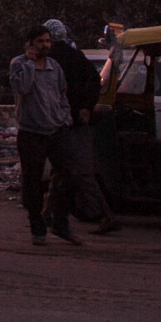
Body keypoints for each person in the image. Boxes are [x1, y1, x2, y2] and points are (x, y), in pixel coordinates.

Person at [43, 18, 120, 236]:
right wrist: (87, 106)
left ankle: (107, 216)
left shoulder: (50, 59)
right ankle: (48, 215)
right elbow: (94, 80)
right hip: (73, 121)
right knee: (63, 170)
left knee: (80, 172)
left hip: (63, 124)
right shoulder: (74, 56)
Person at [8, 23, 79, 246]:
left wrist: (64, 118)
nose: (45, 45)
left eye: (48, 41)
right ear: (30, 44)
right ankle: (37, 228)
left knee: (69, 174)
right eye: (40, 41)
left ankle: (60, 223)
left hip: (56, 130)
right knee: (33, 182)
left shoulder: (54, 66)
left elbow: (61, 94)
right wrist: (30, 63)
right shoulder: (19, 64)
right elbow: (23, 88)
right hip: (31, 133)